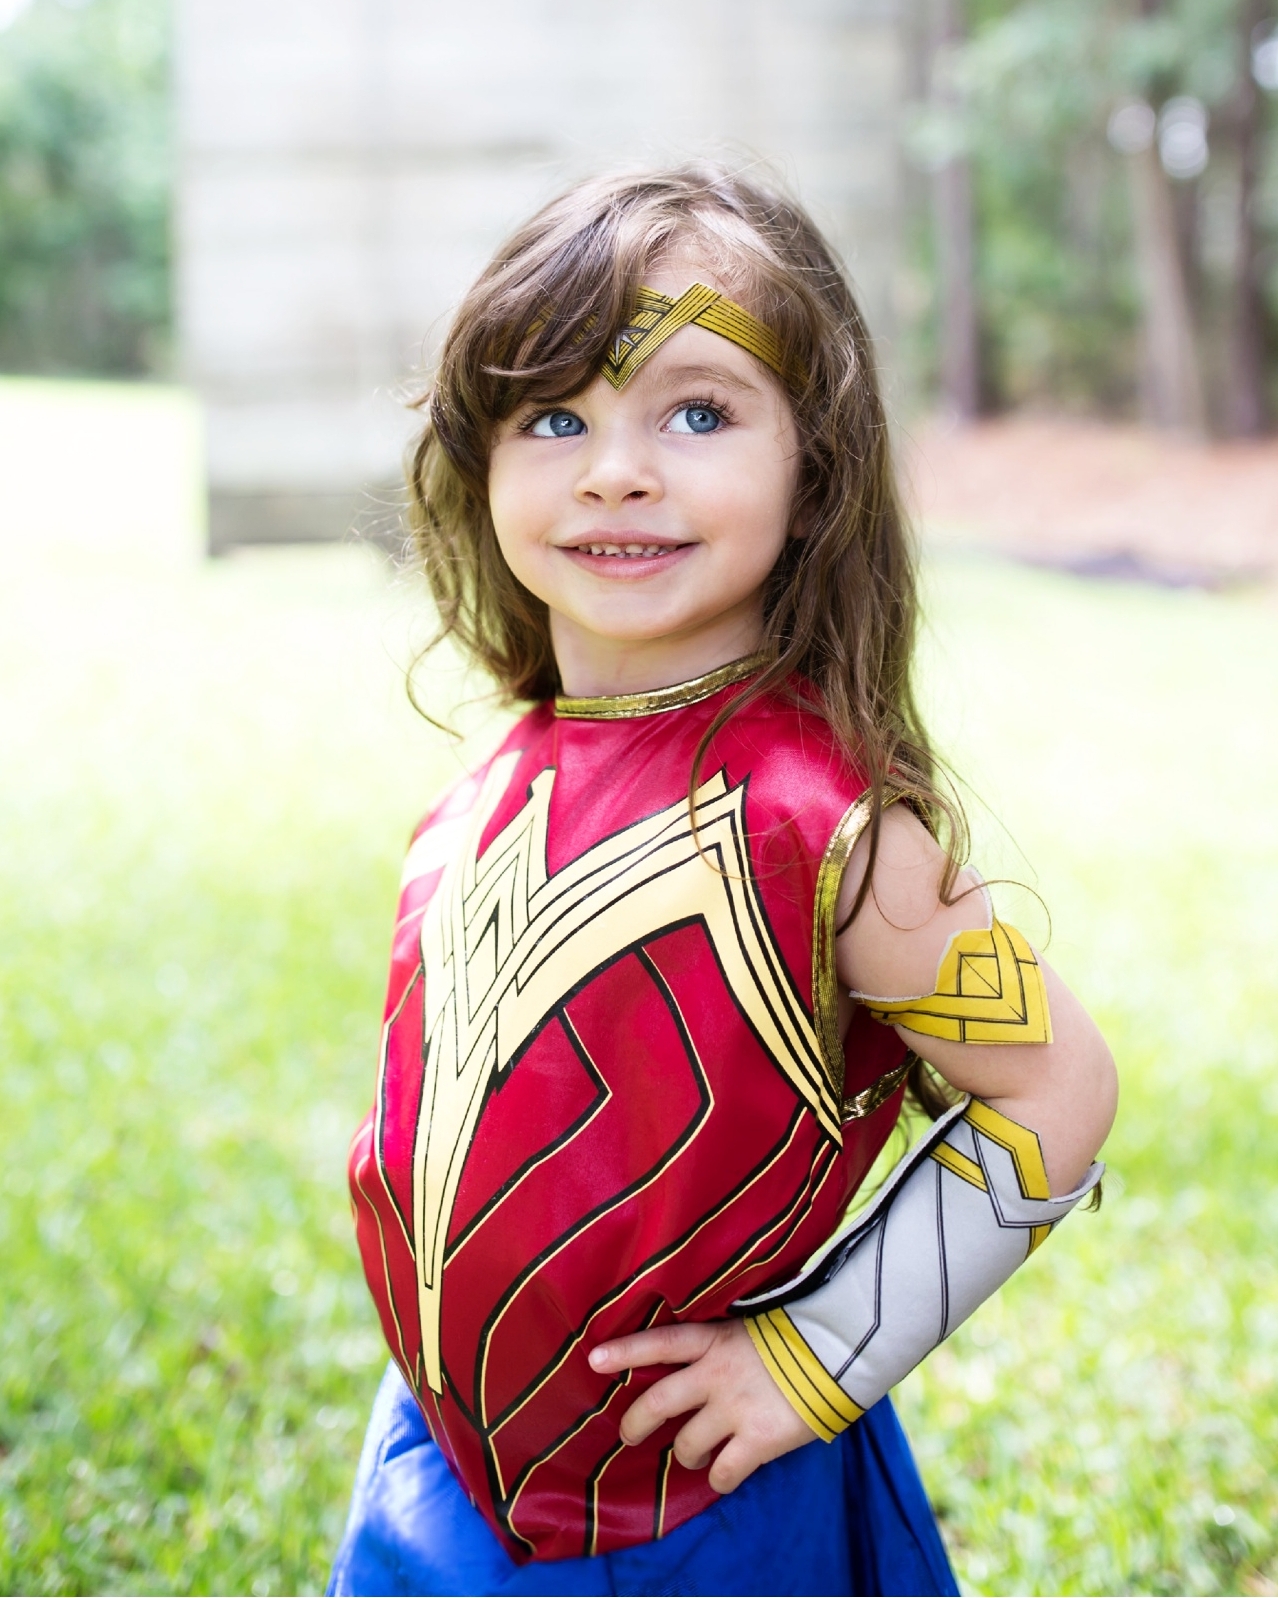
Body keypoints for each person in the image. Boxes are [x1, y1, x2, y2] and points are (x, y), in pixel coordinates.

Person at [329, 165, 1117, 1598]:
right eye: (552, 415)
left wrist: (815, 1355)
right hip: (435, 1482)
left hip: (700, 1509)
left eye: (696, 413)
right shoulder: (480, 791)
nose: (614, 469)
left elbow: (1057, 1088)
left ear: (815, 464)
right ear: (479, 460)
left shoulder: (834, 836)